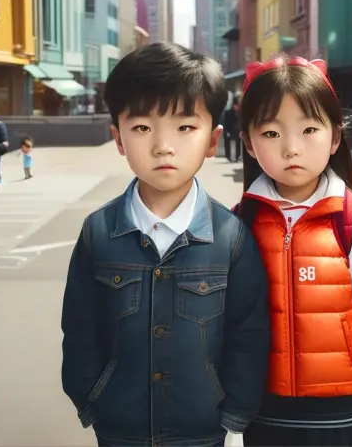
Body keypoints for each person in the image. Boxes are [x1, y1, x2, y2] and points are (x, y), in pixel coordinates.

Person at [60, 42, 270, 447]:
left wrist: (235, 412)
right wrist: (92, 400)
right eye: (141, 127)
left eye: (185, 127)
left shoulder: (230, 236)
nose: (162, 145)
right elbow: (79, 327)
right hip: (118, 430)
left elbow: (249, 333)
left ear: (213, 140)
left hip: (203, 431)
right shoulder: (98, 232)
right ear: (118, 138)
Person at [234, 56, 352, 447]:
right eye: (271, 133)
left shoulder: (349, 219)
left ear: (335, 138)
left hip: (340, 402)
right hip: (263, 400)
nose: (292, 148)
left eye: (309, 129)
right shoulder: (240, 222)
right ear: (249, 144)